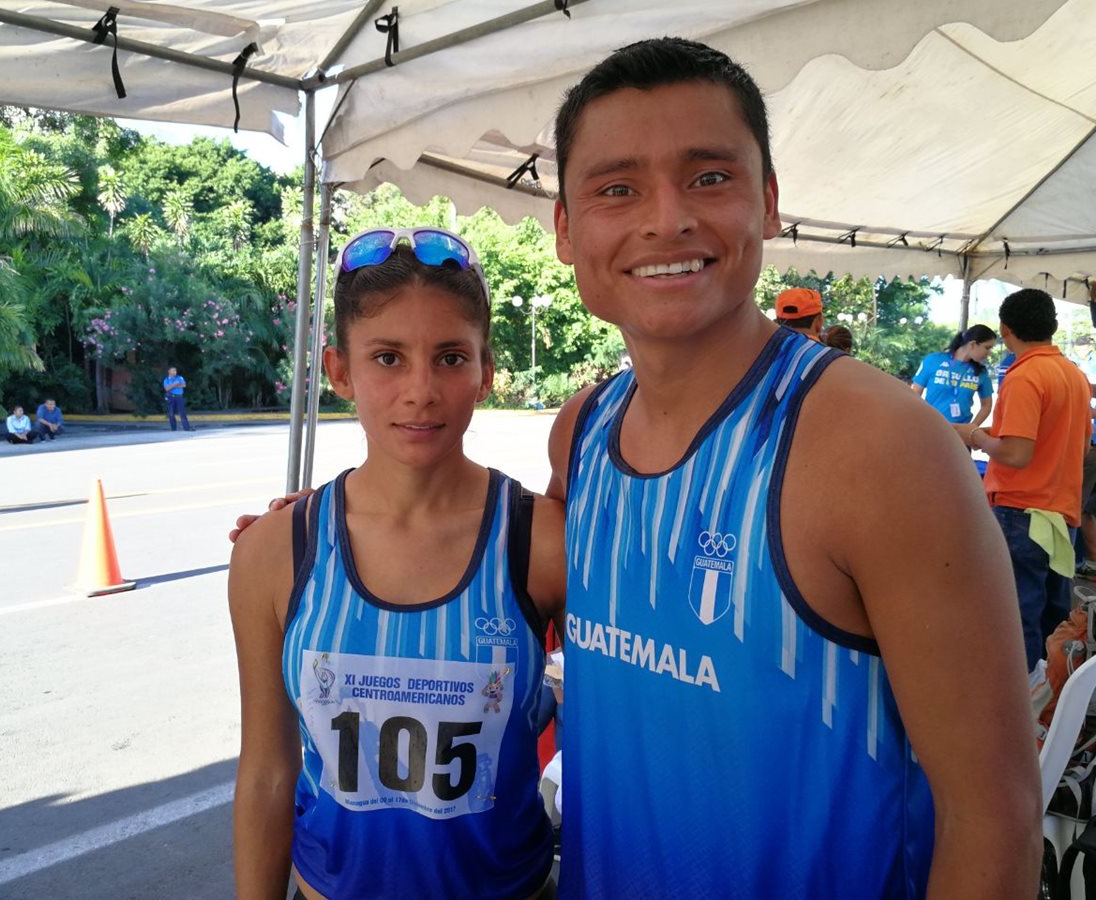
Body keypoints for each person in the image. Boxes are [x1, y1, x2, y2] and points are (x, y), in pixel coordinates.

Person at [234, 37, 1040, 899]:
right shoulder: (583, 432)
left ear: (768, 202)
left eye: (709, 177)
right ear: (567, 230)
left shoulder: (881, 448)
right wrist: (318, 534)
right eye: (618, 188)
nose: (666, 219)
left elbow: (993, 812)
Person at [227, 227, 566, 900]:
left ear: (485, 371)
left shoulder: (544, 543)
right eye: (387, 358)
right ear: (339, 371)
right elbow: (268, 769)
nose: (421, 390)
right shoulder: (274, 553)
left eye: (449, 358)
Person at [955, 289, 1092, 670]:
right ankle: (1051, 699)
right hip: (1060, 513)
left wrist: (975, 436)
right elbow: (1079, 450)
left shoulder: (1025, 375)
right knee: (1054, 618)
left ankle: (1024, 705)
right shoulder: (1074, 375)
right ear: (1052, 326)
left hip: (1022, 511)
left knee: (1018, 617)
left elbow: (1016, 454)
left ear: (1005, 329)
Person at [910, 324, 997, 425]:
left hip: (960, 432)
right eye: (987, 347)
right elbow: (914, 394)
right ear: (973, 344)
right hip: (931, 427)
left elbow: (986, 405)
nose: (989, 353)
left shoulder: (981, 372)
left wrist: (972, 428)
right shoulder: (933, 360)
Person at [163, 366, 194, 432]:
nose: (175, 372)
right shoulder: (166, 380)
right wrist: (175, 384)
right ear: (169, 371)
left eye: (175, 371)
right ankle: (173, 428)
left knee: (182, 413)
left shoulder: (180, 378)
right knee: (171, 413)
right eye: (173, 371)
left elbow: (184, 385)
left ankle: (186, 428)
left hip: (179, 397)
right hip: (171, 397)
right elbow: (167, 389)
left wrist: (172, 386)